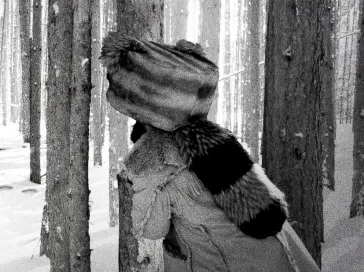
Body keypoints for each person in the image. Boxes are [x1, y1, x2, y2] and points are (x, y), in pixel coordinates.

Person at [102, 32, 320, 271]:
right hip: (277, 257)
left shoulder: (160, 160)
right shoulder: (215, 141)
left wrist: (137, 170)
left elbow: (149, 228)